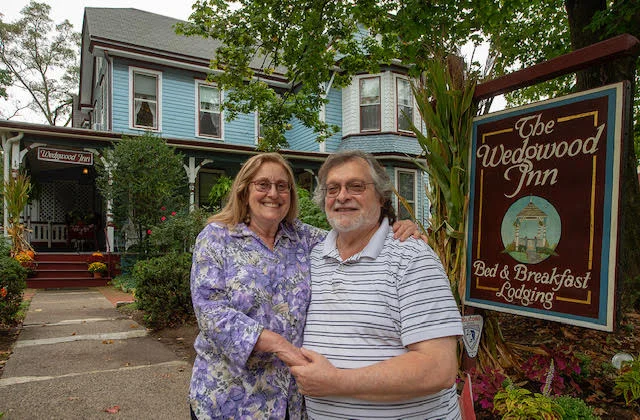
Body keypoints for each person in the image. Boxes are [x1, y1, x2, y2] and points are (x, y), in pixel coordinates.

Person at [189, 152, 419, 419]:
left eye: (282, 186)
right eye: (262, 185)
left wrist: (397, 228)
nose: (273, 193)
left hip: (289, 400)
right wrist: (280, 345)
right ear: (244, 191)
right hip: (228, 399)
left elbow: (354, 233)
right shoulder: (217, 237)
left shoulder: (304, 238)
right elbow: (212, 315)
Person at [291, 150, 464, 420]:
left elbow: (439, 367)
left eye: (356, 186)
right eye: (332, 189)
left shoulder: (412, 257)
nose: (342, 196)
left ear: (382, 196)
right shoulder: (311, 257)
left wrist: (336, 382)